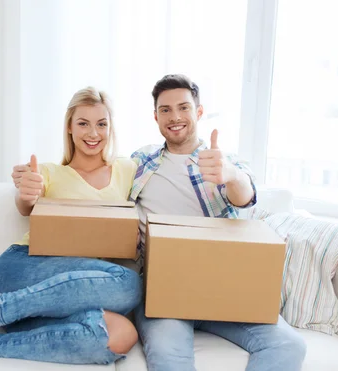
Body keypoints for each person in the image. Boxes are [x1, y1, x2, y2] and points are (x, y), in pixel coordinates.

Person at [0, 87, 143, 365]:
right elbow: (25, 204)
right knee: (128, 284)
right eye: (83, 123)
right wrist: (27, 193)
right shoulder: (47, 172)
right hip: (22, 270)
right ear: (69, 126)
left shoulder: (128, 169)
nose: (93, 133)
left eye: (102, 124)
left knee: (121, 334)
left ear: (111, 127)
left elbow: (162, 160)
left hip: (57, 300)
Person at [129, 74, 307, 371]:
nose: (175, 117)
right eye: (165, 110)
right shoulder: (140, 162)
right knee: (170, 359)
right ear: (156, 116)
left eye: (184, 107)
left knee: (289, 344)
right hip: (163, 290)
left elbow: (245, 196)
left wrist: (230, 174)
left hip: (223, 287)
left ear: (198, 112)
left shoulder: (223, 162)